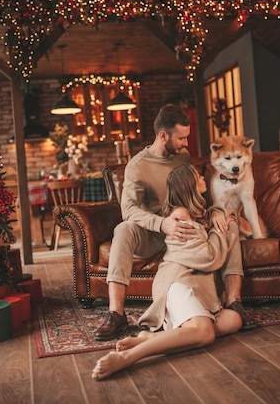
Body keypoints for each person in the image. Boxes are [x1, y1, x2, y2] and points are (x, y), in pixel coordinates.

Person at [94, 104, 256, 341]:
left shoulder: (182, 157)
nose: (186, 144)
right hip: (154, 232)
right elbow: (128, 210)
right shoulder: (137, 166)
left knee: (228, 224)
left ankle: (234, 302)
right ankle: (116, 313)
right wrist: (162, 224)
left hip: (188, 226)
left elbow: (195, 193)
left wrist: (214, 211)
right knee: (123, 229)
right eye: (181, 138)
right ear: (163, 135)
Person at [92, 163, 243, 380]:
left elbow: (216, 212)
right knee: (205, 332)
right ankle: (129, 357)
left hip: (197, 285)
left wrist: (218, 214)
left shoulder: (197, 212)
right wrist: (221, 231)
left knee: (233, 320)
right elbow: (209, 257)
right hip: (178, 283)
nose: (202, 177)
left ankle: (149, 338)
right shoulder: (180, 216)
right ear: (188, 185)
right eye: (197, 176)